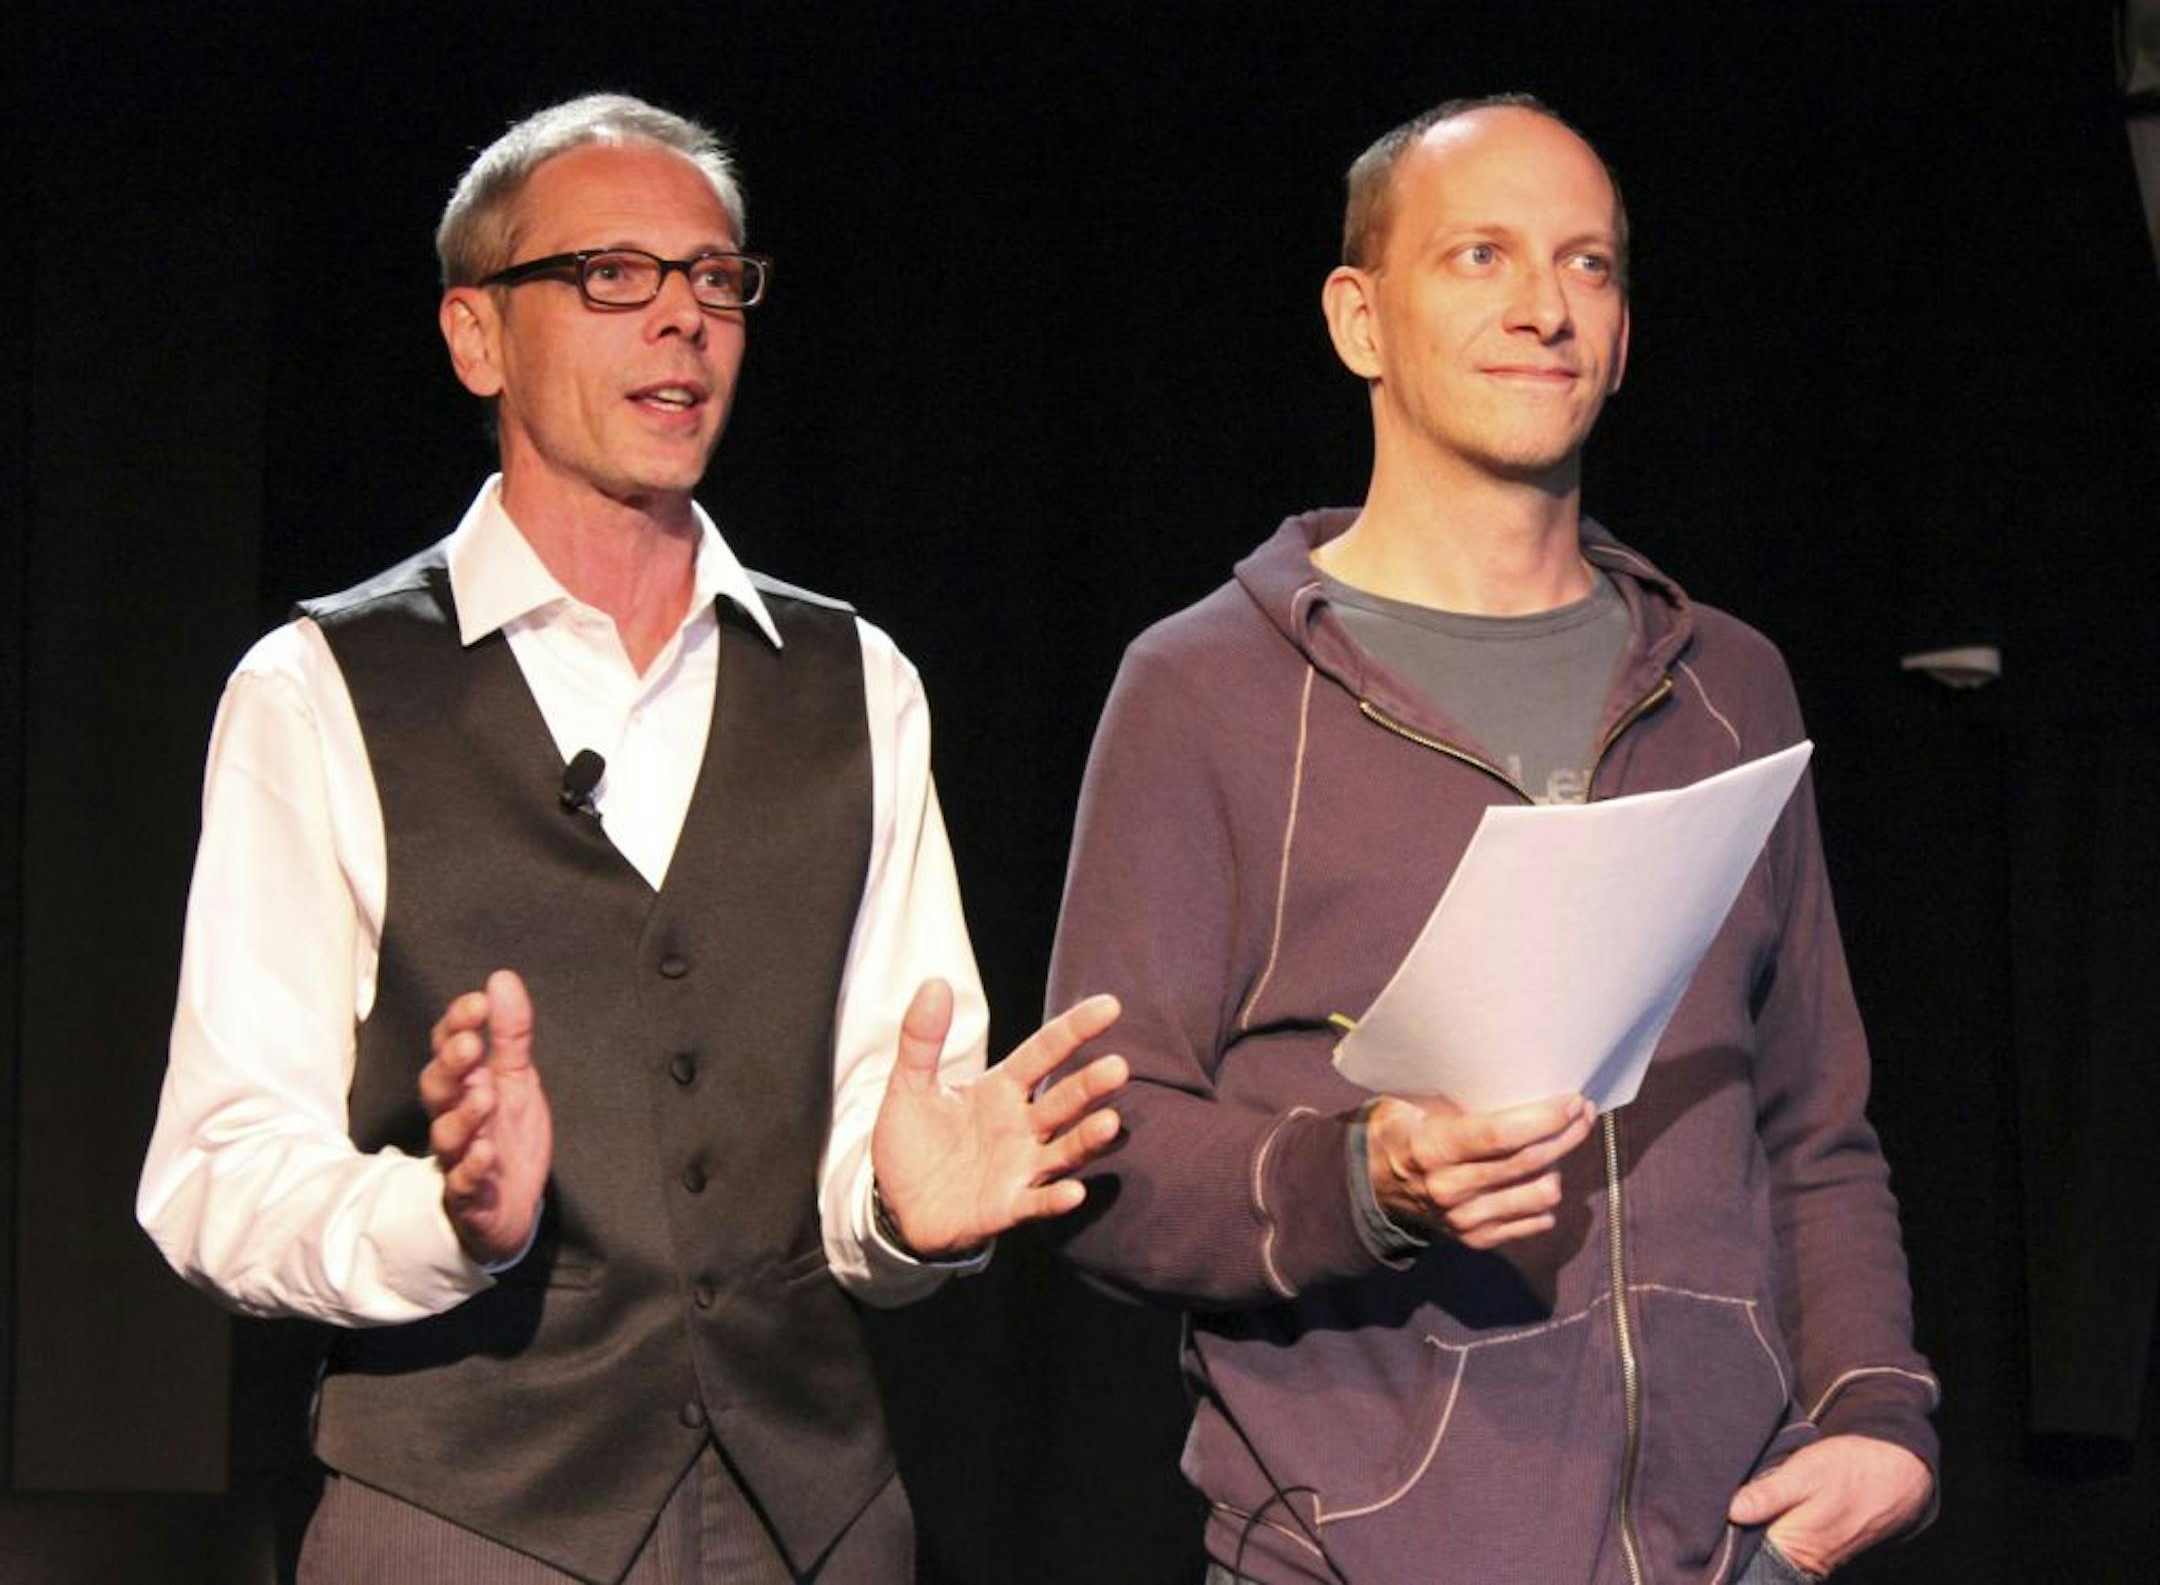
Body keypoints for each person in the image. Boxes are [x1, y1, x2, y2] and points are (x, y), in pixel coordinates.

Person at [137, 92, 1126, 1585]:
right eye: (613, 276)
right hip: (466, 1519)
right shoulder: (322, 688)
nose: (681, 320)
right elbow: (215, 1171)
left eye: (715, 278)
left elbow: (887, 1125)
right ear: (478, 337)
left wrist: (911, 1221)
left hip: (818, 1515)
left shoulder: (857, 681)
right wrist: (448, 1215)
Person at [1045, 95, 1937, 1584]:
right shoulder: (1209, 689)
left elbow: (1812, 1124)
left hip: (1730, 1554)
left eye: (1589, 266)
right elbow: (1102, 1155)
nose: (1544, 308)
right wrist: (1365, 1185)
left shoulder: (1728, 682)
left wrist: (1876, 1413)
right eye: (1481, 256)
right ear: (1359, 319)